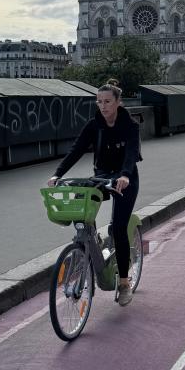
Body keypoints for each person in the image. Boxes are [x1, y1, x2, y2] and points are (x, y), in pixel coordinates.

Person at [47, 81, 141, 306]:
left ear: (118, 102)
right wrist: (57, 174)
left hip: (124, 179)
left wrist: (125, 175)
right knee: (82, 208)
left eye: (108, 101)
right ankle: (90, 244)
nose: (103, 106)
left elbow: (130, 153)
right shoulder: (94, 125)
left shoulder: (130, 125)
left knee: (118, 227)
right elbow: (76, 150)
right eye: (99, 101)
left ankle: (125, 283)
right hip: (101, 176)